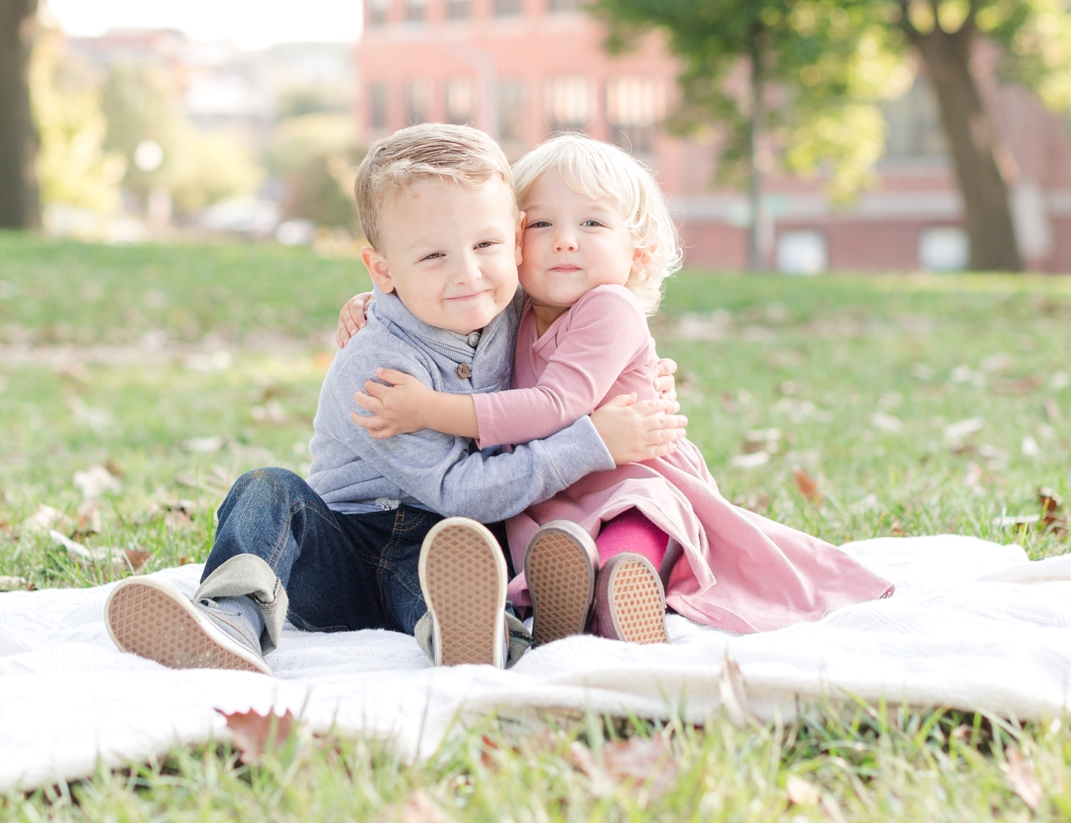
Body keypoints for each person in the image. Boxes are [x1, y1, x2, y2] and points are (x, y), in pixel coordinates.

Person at [103, 124, 686, 674]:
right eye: (432, 256)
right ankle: (230, 623)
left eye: (486, 243)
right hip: (345, 554)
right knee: (266, 489)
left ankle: (479, 637)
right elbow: (461, 490)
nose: (467, 274)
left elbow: (579, 337)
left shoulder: (508, 306)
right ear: (384, 269)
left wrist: (640, 376)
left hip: (443, 549)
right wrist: (589, 444)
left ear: (513, 242)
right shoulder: (379, 367)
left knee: (460, 565)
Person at [344, 135, 893, 647]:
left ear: (639, 254)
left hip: (629, 466)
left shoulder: (610, 307)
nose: (564, 240)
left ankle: (620, 593)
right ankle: (568, 590)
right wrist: (374, 304)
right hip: (555, 487)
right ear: (513, 242)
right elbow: (445, 265)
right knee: (550, 540)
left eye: (591, 223)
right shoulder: (515, 309)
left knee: (634, 517)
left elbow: (553, 406)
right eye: (541, 226)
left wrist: (429, 410)